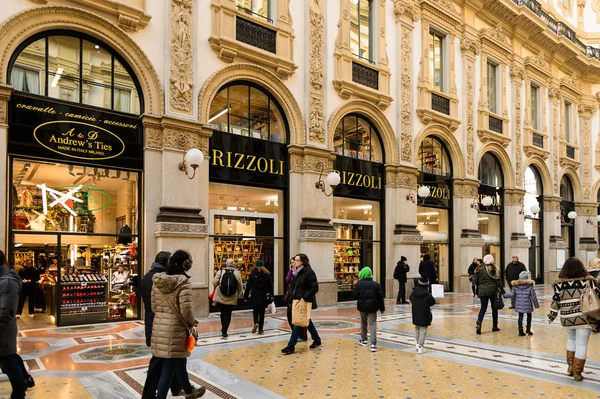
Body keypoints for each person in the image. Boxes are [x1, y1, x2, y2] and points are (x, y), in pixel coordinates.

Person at [151, 250, 205, 399]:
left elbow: (154, 307)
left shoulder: (157, 280)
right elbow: (186, 311)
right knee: (168, 369)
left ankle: (188, 391)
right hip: (176, 329)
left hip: (159, 326)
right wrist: (192, 323)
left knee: (179, 360)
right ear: (186, 265)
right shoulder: (183, 281)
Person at [548, 257, 600, 381]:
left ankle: (571, 368)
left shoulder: (559, 284)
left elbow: (555, 301)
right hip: (584, 317)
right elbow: (597, 296)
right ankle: (577, 372)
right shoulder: (589, 282)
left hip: (567, 318)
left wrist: (552, 316)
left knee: (571, 340)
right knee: (581, 344)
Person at [140, 251, 183, 399]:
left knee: (172, 358)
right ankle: (148, 395)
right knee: (158, 363)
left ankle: (177, 387)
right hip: (161, 326)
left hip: (154, 325)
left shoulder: (147, 277)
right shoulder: (160, 279)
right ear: (166, 263)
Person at [281, 253, 321, 355]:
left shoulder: (309, 272)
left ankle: (291, 346)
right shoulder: (296, 272)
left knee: (298, 322)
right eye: (294, 260)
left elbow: (315, 288)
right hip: (296, 300)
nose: (295, 262)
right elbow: (291, 285)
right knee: (306, 320)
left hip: (304, 300)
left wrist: (304, 296)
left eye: (297, 260)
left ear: (302, 262)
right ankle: (317, 339)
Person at [0, 250, 26, 399]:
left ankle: (19, 393)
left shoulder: (8, 281)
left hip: (3, 330)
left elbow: (7, 311)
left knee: (8, 362)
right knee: (9, 360)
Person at [353, 266, 385, 352]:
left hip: (362, 307)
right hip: (373, 307)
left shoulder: (359, 284)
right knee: (373, 324)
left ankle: (364, 340)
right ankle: (373, 344)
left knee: (363, 323)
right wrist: (382, 308)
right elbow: (380, 298)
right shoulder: (376, 285)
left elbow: (354, 295)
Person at [212, 259, 243, 338]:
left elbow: (214, 283)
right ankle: (224, 330)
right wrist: (238, 294)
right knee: (228, 314)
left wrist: (219, 286)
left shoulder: (221, 272)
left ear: (226, 264)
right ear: (233, 265)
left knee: (222, 312)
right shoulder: (237, 273)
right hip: (232, 297)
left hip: (221, 296)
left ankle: (223, 328)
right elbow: (240, 286)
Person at [474, 254, 504, 334]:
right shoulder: (495, 268)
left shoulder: (479, 268)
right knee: (494, 308)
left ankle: (479, 323)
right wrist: (502, 290)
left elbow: (475, 282)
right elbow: (498, 281)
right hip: (493, 291)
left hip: (482, 291)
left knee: (483, 308)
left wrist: (477, 291)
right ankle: (494, 326)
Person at [503, 271, 539, 336]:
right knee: (529, 316)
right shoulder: (530, 286)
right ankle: (528, 330)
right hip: (528, 304)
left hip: (519, 305)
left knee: (520, 317)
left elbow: (511, 294)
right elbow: (534, 296)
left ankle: (520, 331)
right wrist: (536, 305)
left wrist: (504, 295)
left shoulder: (515, 286)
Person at [244, 260, 272, 335]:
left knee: (255, 311)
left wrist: (245, 296)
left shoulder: (252, 274)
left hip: (255, 295)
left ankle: (256, 322)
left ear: (256, 266)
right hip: (263, 296)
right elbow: (270, 286)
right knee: (262, 312)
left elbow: (248, 286)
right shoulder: (267, 274)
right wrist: (271, 295)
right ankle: (260, 329)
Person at [410, 275, 436, 354]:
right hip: (424, 314)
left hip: (416, 313)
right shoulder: (427, 294)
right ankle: (421, 346)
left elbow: (410, 298)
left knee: (417, 328)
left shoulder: (414, 292)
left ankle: (417, 344)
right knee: (423, 330)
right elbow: (432, 302)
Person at [285, 257, 307, 342]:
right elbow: (287, 280)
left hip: (299, 297)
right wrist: (291, 271)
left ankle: (300, 336)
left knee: (300, 318)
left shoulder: (302, 272)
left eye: (294, 262)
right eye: (291, 262)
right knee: (290, 316)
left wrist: (304, 296)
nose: (293, 264)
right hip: (291, 297)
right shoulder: (293, 272)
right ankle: (297, 335)